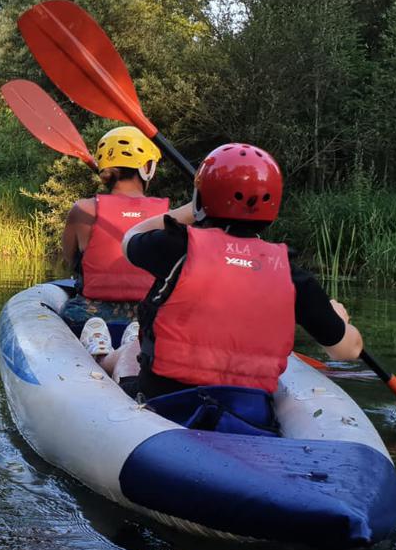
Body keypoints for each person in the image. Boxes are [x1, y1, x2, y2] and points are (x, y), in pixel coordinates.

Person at [104, 142, 363, 398]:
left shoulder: (175, 248)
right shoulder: (292, 276)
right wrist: (338, 321)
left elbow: (130, 237)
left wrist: (192, 210)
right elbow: (347, 352)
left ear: (201, 199)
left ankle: (101, 360)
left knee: (130, 351)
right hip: (247, 411)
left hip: (165, 402)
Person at [59, 126, 169, 359]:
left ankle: (97, 348)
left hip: (90, 315)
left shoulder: (83, 210)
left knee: (72, 310)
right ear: (147, 168)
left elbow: (70, 261)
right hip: (145, 315)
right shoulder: (168, 216)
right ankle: (132, 343)